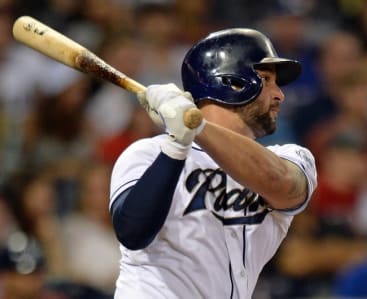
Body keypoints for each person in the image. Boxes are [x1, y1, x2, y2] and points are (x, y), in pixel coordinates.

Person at [109, 28, 317, 299]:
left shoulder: (290, 157)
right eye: (266, 80)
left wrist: (195, 125)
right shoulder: (148, 153)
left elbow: (283, 184)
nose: (280, 95)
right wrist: (176, 146)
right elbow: (133, 233)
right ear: (231, 82)